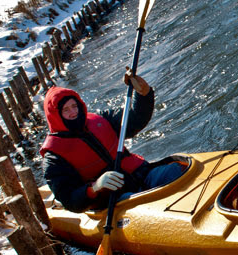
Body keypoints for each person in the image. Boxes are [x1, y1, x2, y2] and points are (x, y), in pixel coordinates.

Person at [40, 70, 184, 212]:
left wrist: (143, 94)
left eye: (74, 106)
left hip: (141, 176)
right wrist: (95, 187)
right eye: (66, 110)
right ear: (56, 116)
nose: (73, 112)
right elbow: (69, 200)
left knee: (176, 170)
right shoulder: (53, 158)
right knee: (137, 207)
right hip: (114, 200)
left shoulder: (100, 120)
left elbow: (135, 119)